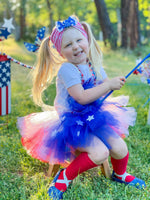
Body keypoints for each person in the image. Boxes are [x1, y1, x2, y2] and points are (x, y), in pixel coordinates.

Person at [17, 16, 146, 199]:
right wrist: (107, 86)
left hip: (93, 115)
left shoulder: (92, 64)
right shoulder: (67, 70)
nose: (76, 46)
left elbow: (102, 84)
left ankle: (120, 174)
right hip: (71, 121)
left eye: (79, 40)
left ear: (86, 39)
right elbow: (82, 97)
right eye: (68, 45)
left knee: (120, 147)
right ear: (61, 52)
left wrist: (112, 82)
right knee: (100, 152)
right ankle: (64, 176)